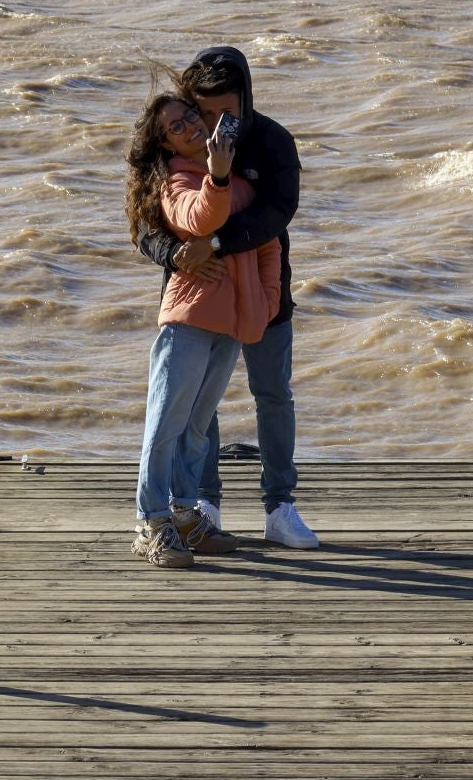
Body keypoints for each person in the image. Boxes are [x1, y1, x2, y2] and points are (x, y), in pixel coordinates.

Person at [138, 47, 318, 549]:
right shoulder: (174, 160)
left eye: (225, 113)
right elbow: (146, 230)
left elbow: (278, 214)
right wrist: (176, 253)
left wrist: (218, 247)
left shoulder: (272, 142)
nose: (213, 125)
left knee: (274, 395)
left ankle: (279, 507)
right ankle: (200, 503)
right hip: (197, 299)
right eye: (203, 112)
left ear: (247, 100)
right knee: (194, 409)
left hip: (262, 296)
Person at [125, 93, 282, 567]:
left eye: (190, 115)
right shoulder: (177, 181)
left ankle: (186, 515)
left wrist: (265, 298)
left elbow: (266, 244)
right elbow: (200, 219)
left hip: (230, 324)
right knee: (165, 426)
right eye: (175, 126)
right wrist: (214, 175)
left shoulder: (238, 181)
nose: (189, 126)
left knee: (196, 429)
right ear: (165, 143)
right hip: (188, 321)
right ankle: (151, 523)